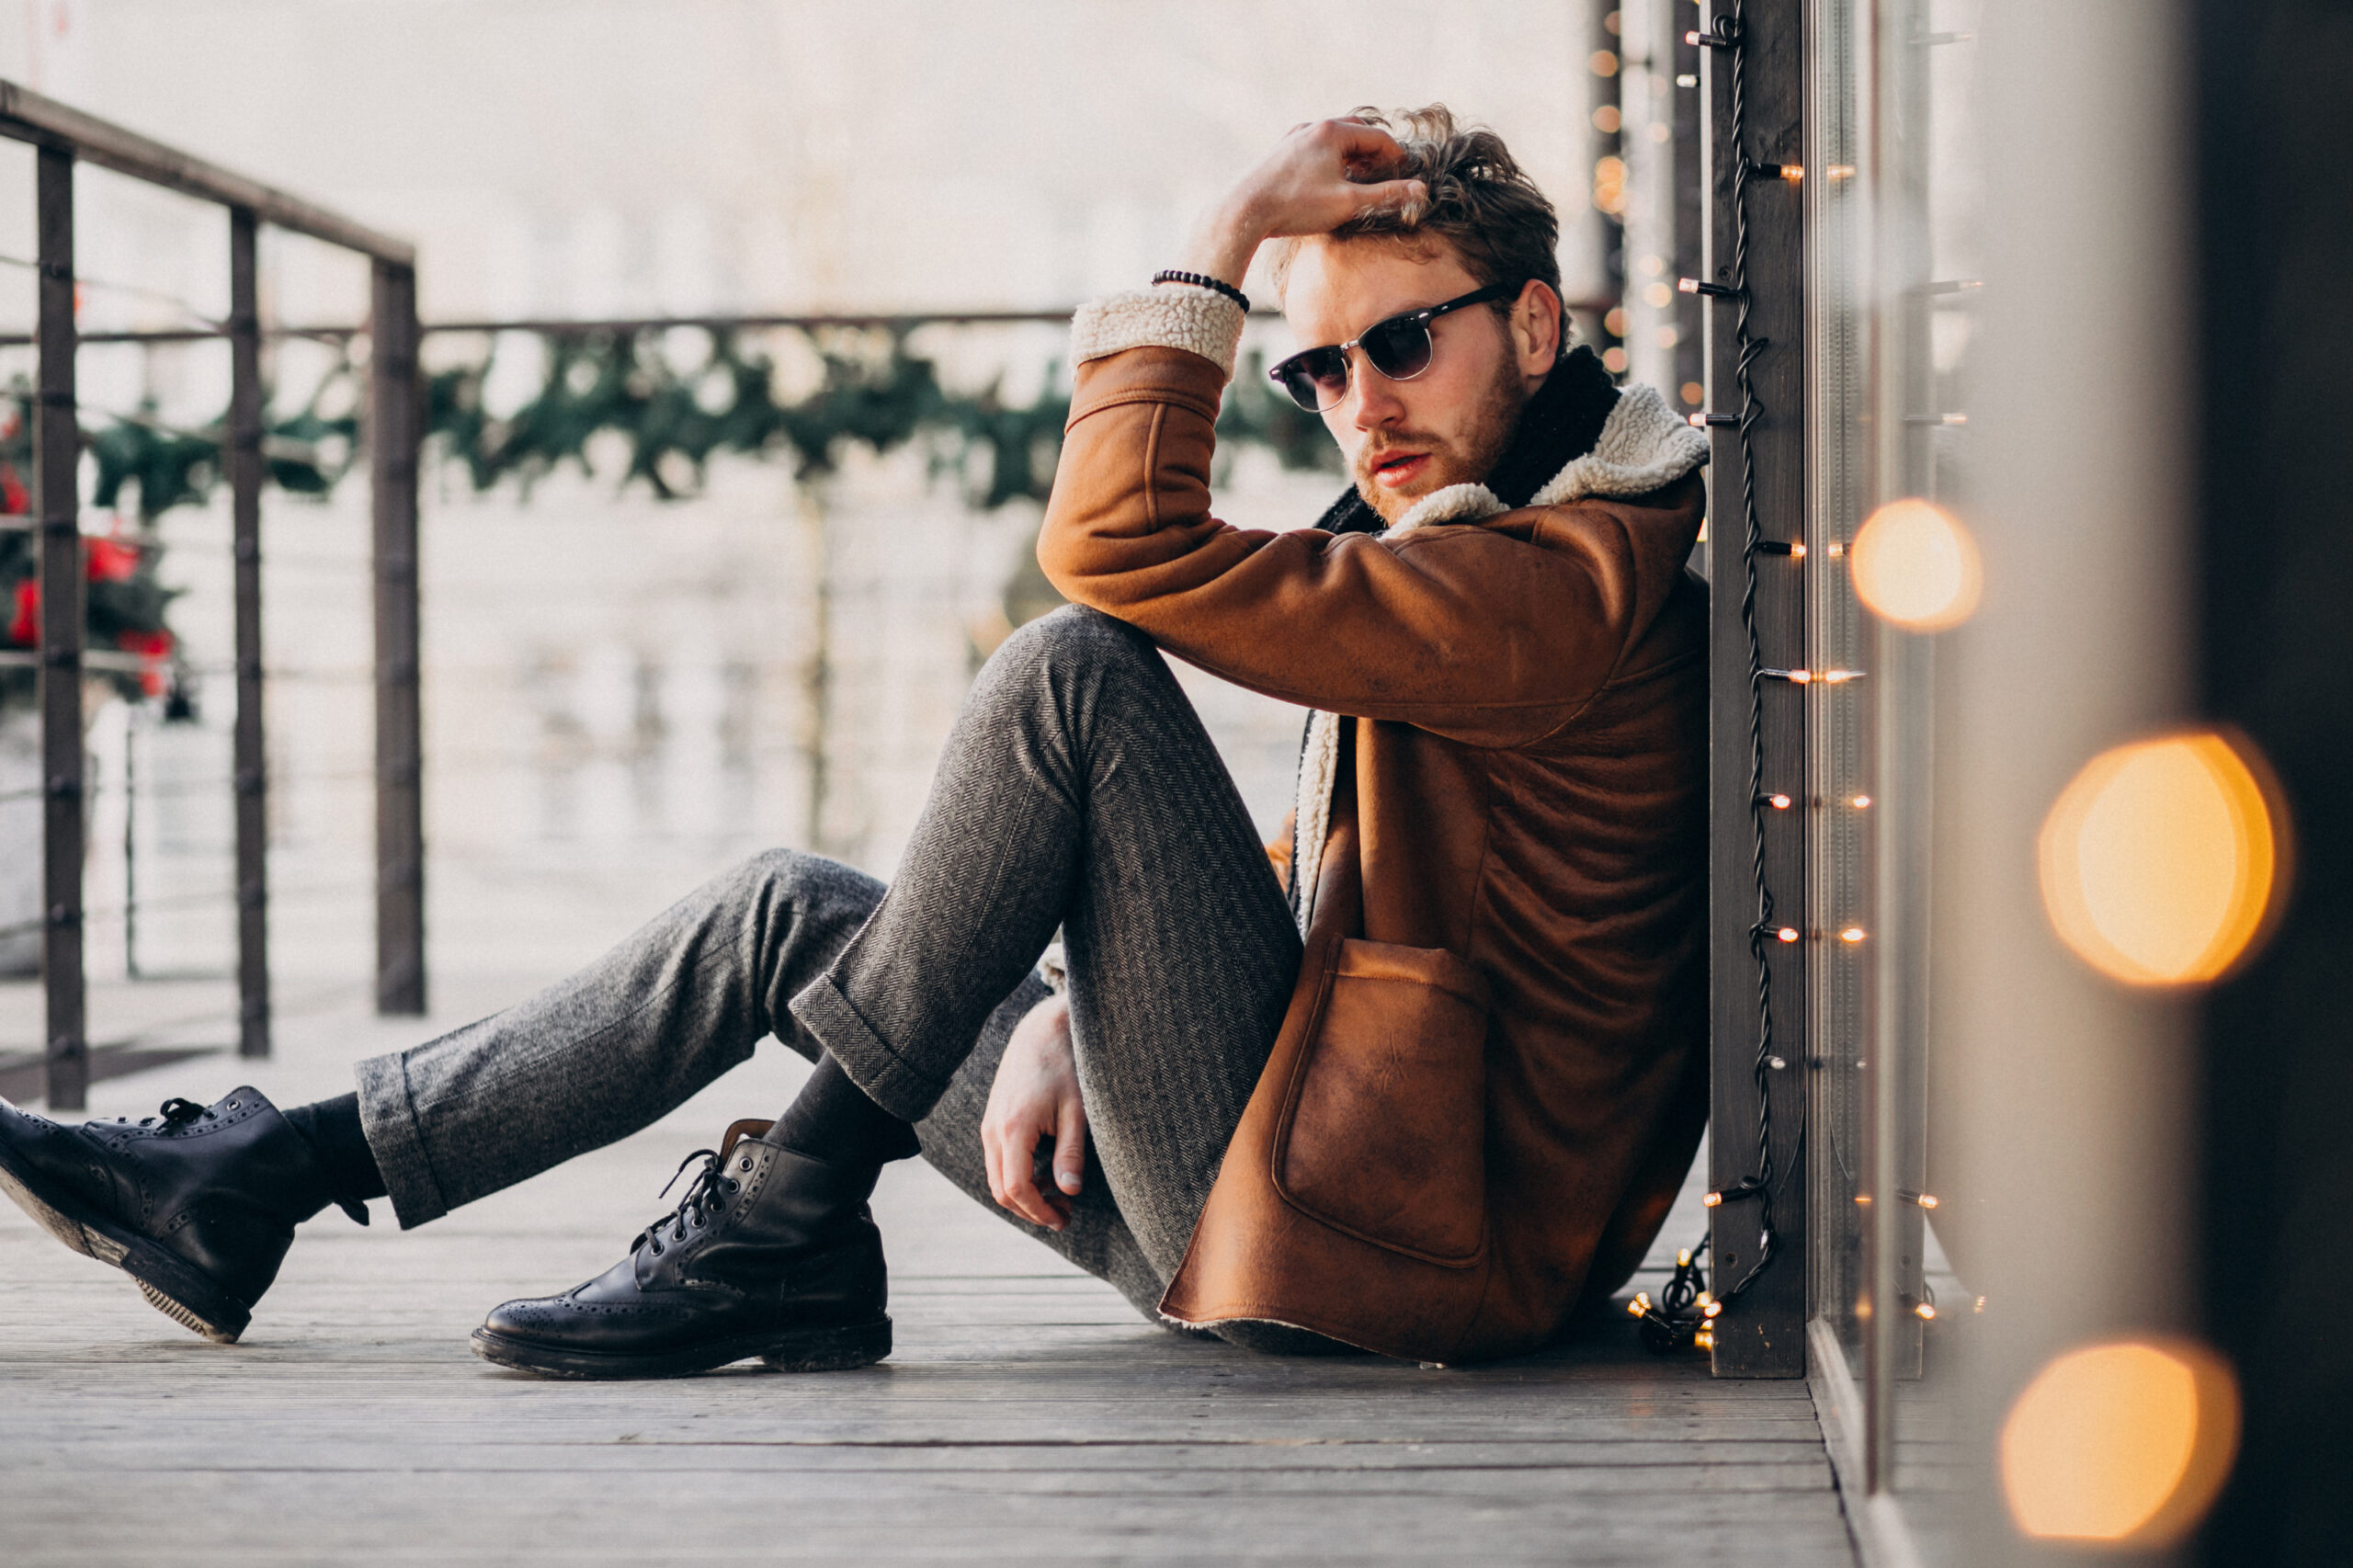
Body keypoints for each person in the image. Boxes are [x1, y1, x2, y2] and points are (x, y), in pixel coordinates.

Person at [0, 106, 1710, 1378]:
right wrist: (1061, 1019)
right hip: (1326, 1162)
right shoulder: (1494, 545)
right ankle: (263, 1174)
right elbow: (1373, 875)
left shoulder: (1553, 588)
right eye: (1316, 371)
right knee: (787, 911)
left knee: (1072, 671)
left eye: (1400, 343)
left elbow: (1112, 548)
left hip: (1395, 1252)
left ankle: (791, 1211)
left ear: (1538, 327)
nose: (1358, 402)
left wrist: (1226, 231)